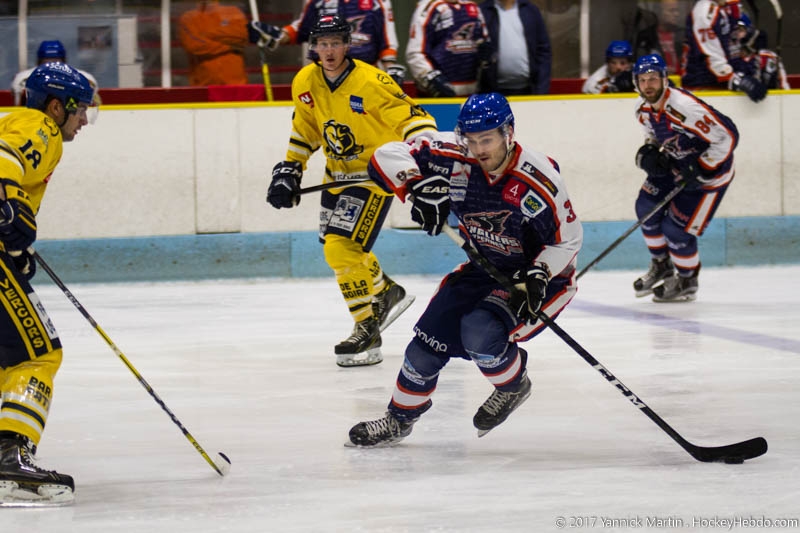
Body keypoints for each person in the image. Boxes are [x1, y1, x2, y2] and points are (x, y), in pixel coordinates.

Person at [348, 93, 583, 446]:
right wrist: (415, 186)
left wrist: (539, 273)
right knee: (424, 347)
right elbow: (386, 155)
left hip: (539, 277)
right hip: (484, 266)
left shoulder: (537, 179)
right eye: (471, 140)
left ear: (508, 133)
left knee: (479, 331)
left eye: (486, 140)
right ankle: (399, 419)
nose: (477, 149)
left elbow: (568, 239)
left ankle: (513, 386)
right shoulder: (452, 155)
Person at [265, 15, 436, 368]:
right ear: (314, 46)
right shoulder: (305, 80)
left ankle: (367, 328)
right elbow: (306, 129)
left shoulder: (372, 81)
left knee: (341, 247)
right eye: (322, 44)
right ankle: (386, 291)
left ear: (347, 44)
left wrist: (428, 155)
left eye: (335, 43)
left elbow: (414, 118)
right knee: (339, 251)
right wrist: (291, 168)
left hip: (373, 175)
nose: (328, 51)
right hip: (336, 175)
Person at [0, 63, 96, 506]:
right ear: (57, 107)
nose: (83, 120)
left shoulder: (18, 121)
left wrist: (17, 245)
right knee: (38, 354)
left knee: (7, 356)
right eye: (80, 110)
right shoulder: (40, 128)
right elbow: (4, 161)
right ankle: (9, 458)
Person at [632, 53, 739, 302]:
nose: (648, 85)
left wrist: (703, 165)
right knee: (645, 208)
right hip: (677, 163)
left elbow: (728, 136)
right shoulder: (641, 108)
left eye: (653, 79)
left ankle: (687, 279)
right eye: (643, 80)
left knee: (676, 230)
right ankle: (661, 265)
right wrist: (650, 149)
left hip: (710, 175)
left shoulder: (685, 108)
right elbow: (653, 134)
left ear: (664, 79)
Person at [248, 0, 406, 86]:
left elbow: (387, 42)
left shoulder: (378, 2)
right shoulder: (318, 2)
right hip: (323, 76)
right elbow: (302, 29)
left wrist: (390, 71)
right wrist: (276, 36)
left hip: (364, 75)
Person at [680, 0, 768, 102]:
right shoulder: (704, 11)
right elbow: (710, 56)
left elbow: (732, 44)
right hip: (701, 88)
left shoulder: (724, 8)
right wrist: (737, 80)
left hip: (717, 83)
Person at [177, 0, 275, 86]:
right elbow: (194, 45)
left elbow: (242, 34)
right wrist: (230, 47)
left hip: (236, 84)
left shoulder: (233, 12)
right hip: (204, 85)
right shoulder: (188, 18)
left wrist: (206, 34)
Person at [406, 0, 491, 97]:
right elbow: (415, 53)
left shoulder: (472, 7)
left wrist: (486, 56)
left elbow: (484, 44)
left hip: (472, 93)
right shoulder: (429, 7)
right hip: (436, 95)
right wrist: (431, 79)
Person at [479, 0, 552, 95]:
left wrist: (541, 89)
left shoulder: (530, 10)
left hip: (528, 90)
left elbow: (543, 51)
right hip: (491, 92)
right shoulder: (482, 12)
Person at [10, 40, 98, 106]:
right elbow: (18, 105)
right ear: (39, 61)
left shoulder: (84, 78)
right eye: (47, 61)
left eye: (55, 61)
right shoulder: (22, 79)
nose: (51, 65)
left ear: (63, 61)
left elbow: (90, 104)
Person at [729, 14, 789, 90]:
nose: (735, 35)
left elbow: (784, 89)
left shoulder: (767, 57)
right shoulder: (723, 59)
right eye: (732, 31)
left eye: (740, 30)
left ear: (749, 31)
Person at [629, 0, 685, 75]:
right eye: (671, 10)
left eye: (677, 10)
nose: (676, 14)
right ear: (659, 13)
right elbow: (640, 64)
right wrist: (660, 69)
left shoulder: (683, 34)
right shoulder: (646, 36)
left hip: (683, 79)